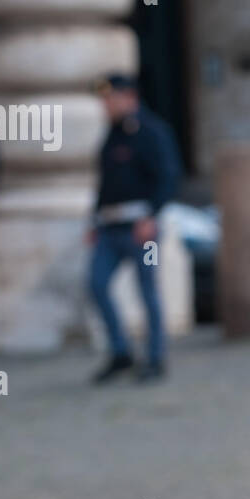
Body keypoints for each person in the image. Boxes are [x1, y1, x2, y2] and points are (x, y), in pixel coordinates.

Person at [87, 73, 182, 384]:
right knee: (96, 283)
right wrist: (94, 220)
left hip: (143, 229)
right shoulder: (112, 135)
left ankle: (155, 357)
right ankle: (120, 351)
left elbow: (168, 178)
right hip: (111, 227)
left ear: (129, 98)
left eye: (111, 98)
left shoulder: (152, 132)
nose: (106, 106)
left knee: (148, 291)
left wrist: (151, 216)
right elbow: (106, 184)